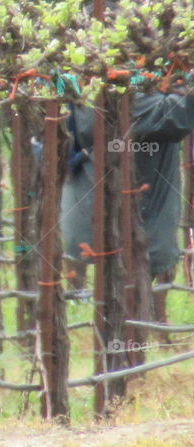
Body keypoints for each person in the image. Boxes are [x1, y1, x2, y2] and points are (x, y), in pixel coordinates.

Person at [61, 92, 194, 323]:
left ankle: (127, 321)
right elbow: (175, 115)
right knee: (126, 280)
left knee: (121, 273)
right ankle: (130, 326)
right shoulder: (124, 98)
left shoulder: (83, 92)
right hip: (122, 216)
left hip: (96, 212)